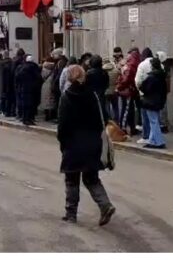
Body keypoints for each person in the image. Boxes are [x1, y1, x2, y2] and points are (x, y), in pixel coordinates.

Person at [57, 65, 116, 225]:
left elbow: (62, 125)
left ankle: (71, 214)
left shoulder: (66, 97)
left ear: (69, 78)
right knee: (92, 178)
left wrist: (63, 143)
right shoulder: (93, 95)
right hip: (92, 142)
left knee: (72, 179)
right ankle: (105, 205)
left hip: (73, 144)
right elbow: (103, 117)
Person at [138, 57, 168, 149]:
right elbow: (164, 90)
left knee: (153, 122)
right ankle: (152, 141)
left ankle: (159, 142)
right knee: (154, 121)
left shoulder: (151, 77)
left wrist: (141, 86)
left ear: (152, 66)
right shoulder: (162, 76)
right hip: (158, 101)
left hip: (150, 101)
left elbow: (143, 88)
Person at [117, 47, 141, 136]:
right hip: (133, 89)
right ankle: (132, 128)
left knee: (126, 109)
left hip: (128, 89)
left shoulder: (131, 61)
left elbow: (128, 76)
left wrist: (119, 86)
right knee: (130, 109)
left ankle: (122, 128)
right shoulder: (137, 60)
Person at [135, 48, 155, 144]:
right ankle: (153, 135)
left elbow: (138, 80)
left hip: (144, 94)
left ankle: (146, 136)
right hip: (156, 94)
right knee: (154, 117)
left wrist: (140, 89)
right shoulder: (158, 63)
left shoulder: (142, 65)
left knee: (145, 116)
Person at [16, 55, 42, 125]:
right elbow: (39, 78)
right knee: (31, 105)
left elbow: (17, 77)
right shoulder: (34, 67)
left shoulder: (21, 67)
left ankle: (25, 119)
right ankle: (29, 119)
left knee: (25, 105)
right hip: (32, 90)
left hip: (23, 89)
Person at [86, 55, 109, 120]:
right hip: (101, 94)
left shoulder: (88, 73)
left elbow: (86, 85)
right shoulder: (104, 72)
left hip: (91, 96)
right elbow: (107, 83)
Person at [0, 50, 15, 117]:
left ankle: (4, 111)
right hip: (11, 83)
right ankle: (11, 112)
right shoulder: (12, 62)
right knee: (11, 98)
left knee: (3, 98)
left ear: (3, 56)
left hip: (2, 83)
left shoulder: (0, 63)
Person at [40, 57, 57, 121]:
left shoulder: (44, 68)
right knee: (52, 100)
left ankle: (46, 116)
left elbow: (42, 76)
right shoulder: (54, 67)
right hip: (51, 84)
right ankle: (52, 116)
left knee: (45, 100)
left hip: (45, 84)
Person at [12, 49, 27, 120]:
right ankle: (21, 114)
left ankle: (19, 114)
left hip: (17, 83)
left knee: (18, 100)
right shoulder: (24, 62)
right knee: (22, 100)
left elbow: (13, 73)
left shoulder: (15, 62)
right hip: (23, 84)